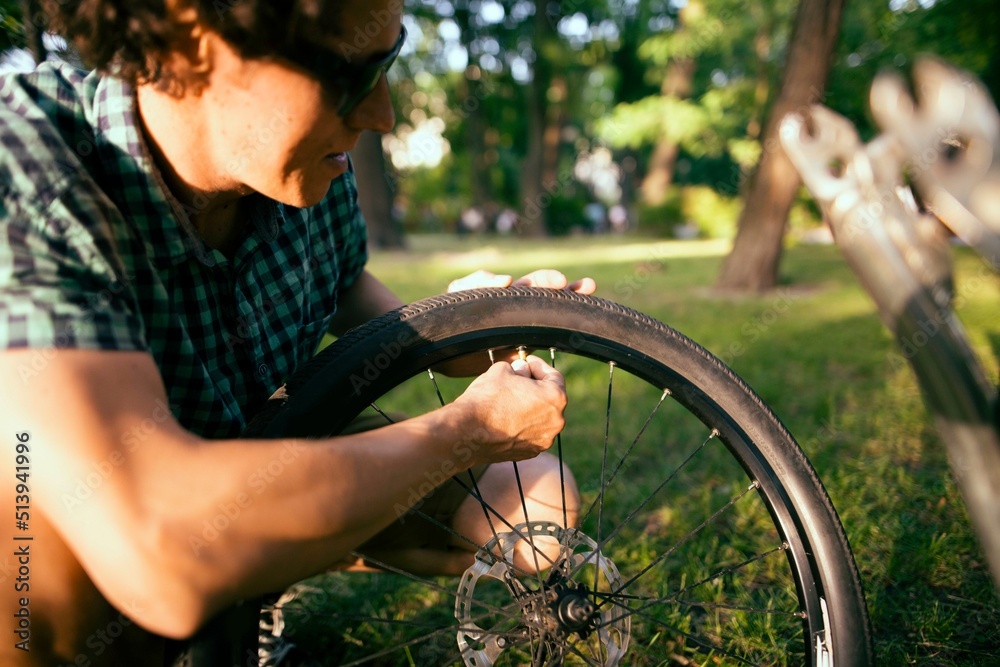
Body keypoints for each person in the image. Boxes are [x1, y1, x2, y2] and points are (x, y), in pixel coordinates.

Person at [0, 1, 595, 665]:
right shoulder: (27, 161)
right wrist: (458, 434)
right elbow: (156, 544)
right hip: (114, 533)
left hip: (230, 487)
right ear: (194, 36)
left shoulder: (304, 165)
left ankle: (241, 604)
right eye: (351, 76)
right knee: (28, 508)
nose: (382, 115)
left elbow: (353, 300)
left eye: (389, 64)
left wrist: (461, 327)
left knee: (533, 499)